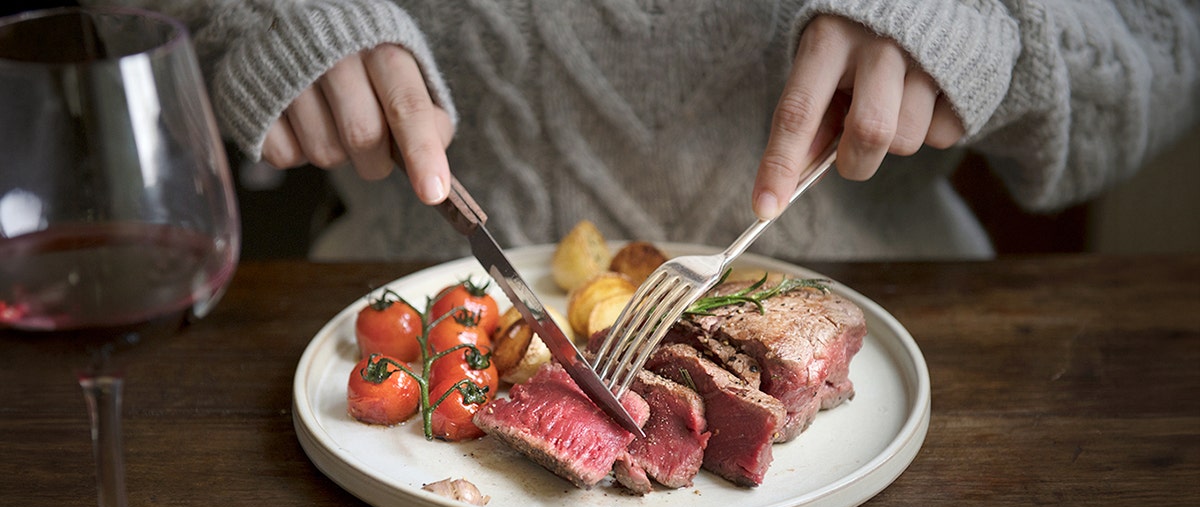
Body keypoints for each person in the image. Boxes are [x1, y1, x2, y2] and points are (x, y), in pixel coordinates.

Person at [85, 1, 1199, 261]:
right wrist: (252, 17)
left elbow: (1166, 40)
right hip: (400, 398)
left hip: (906, 404)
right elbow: (121, 23)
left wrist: (999, 27)